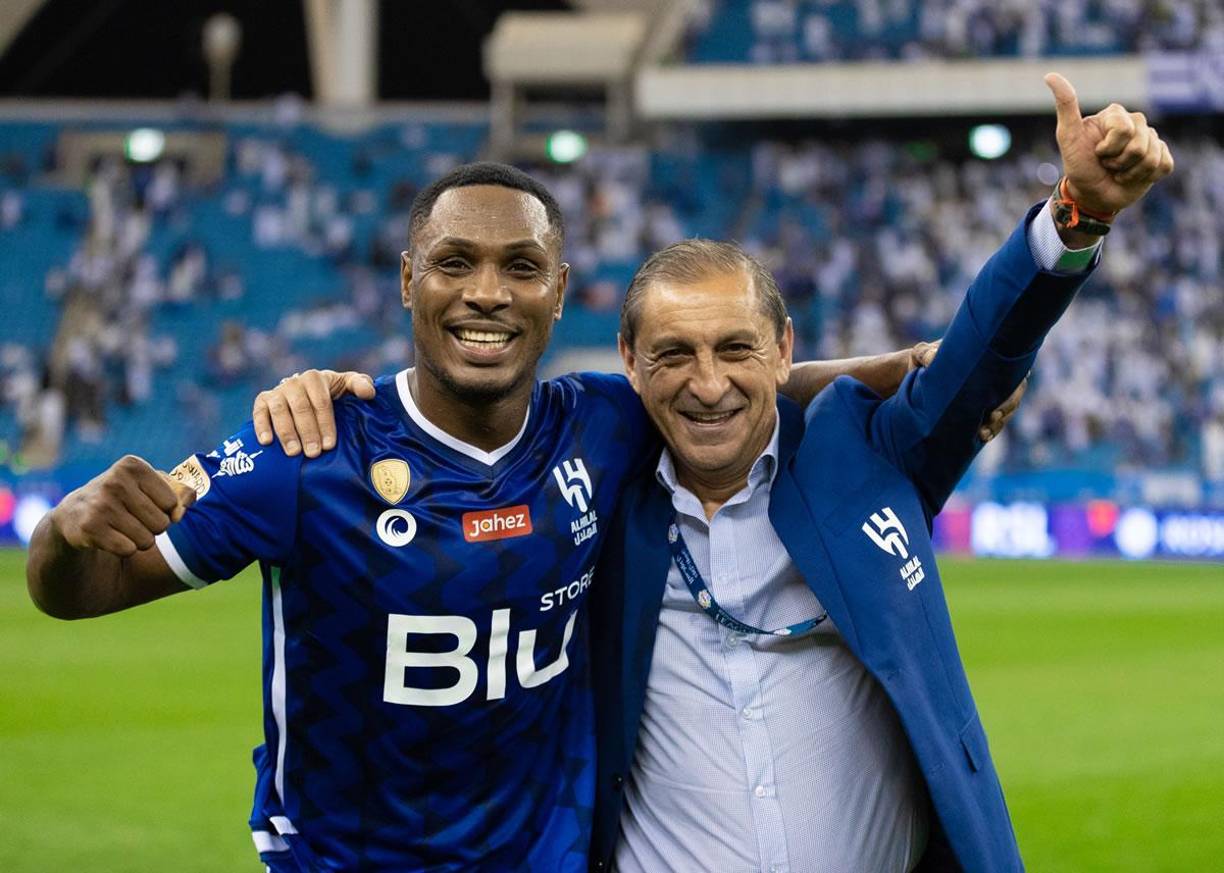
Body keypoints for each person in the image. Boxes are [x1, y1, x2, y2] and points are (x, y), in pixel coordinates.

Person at [259, 74, 1173, 872]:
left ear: (783, 350)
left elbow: (983, 355)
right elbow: (461, 450)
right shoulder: (593, 495)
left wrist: (1077, 214)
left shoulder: (865, 453)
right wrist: (348, 409)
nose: (707, 384)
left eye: (736, 348)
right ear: (628, 361)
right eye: (673, 354)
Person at [25, 162, 966, 871]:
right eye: (454, 263)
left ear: (559, 291)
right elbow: (78, 590)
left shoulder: (599, 425)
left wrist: (889, 370)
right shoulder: (304, 452)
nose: (487, 291)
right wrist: (67, 530)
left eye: (521, 266)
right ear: (408, 280)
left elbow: (724, 386)